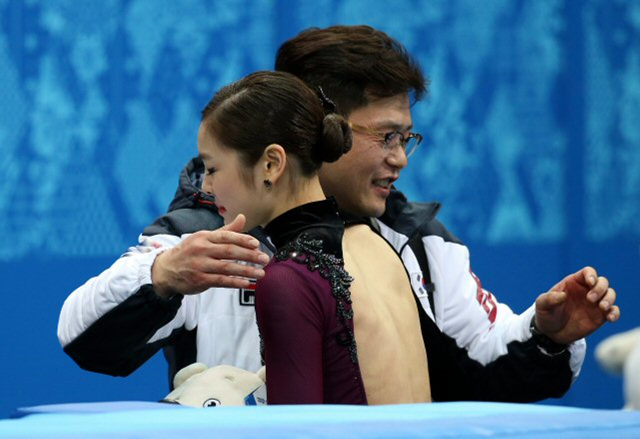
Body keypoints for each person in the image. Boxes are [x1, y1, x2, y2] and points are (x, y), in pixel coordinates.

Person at [58, 25, 619, 402]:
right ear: (316, 125)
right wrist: (163, 277)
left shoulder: (416, 243)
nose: (400, 158)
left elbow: (486, 365)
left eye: (407, 136)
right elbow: (82, 339)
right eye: (386, 136)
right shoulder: (201, 239)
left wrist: (546, 337)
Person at [196, 70, 429, 404]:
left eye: (212, 168)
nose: (205, 187)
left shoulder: (288, 280)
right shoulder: (378, 246)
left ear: (271, 164)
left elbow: (298, 431)